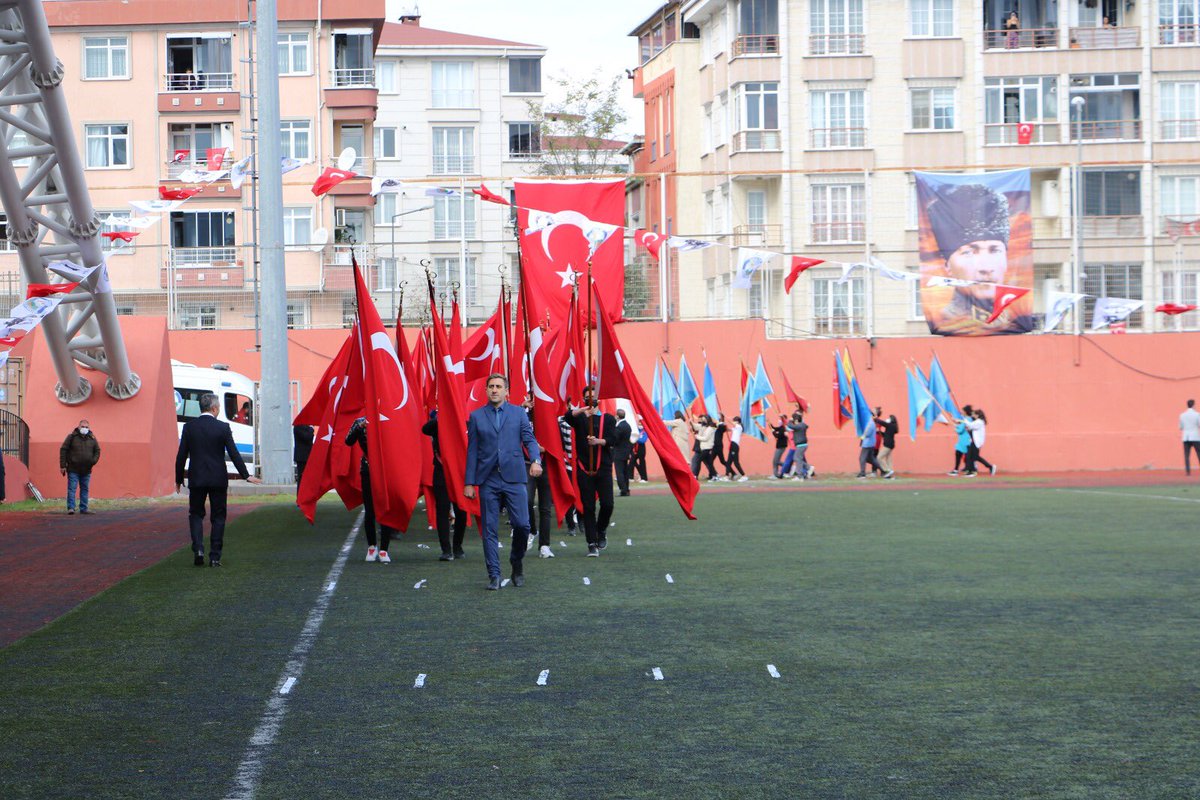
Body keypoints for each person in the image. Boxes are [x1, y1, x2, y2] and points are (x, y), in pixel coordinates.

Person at [925, 182, 1034, 336]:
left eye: (994, 250)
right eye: (969, 252)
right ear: (947, 266)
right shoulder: (947, 320)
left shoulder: (1013, 320)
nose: (986, 268)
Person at [465, 374, 541, 589]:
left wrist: (536, 460)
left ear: (506, 391)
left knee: (523, 525)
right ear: (486, 390)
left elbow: (529, 439)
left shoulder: (518, 413)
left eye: (499, 386)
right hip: (488, 479)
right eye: (491, 386)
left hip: (514, 477)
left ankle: (516, 562)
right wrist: (469, 482)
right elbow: (472, 451)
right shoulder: (476, 416)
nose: (494, 390)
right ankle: (494, 575)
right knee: (489, 529)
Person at [175, 393, 260, 566]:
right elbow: (234, 453)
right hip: (218, 478)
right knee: (218, 517)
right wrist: (246, 475)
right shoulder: (223, 427)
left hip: (197, 478)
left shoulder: (189, 427)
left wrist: (178, 478)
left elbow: (181, 455)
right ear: (214, 408)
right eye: (219, 407)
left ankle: (198, 549)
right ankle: (214, 557)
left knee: (196, 514)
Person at [567, 386, 616, 557]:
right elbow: (567, 416)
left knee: (608, 504)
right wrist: (582, 410)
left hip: (603, 468)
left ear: (598, 400)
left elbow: (613, 439)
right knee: (588, 507)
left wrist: (598, 441)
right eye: (587, 397)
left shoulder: (608, 419)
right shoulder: (580, 419)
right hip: (584, 469)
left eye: (593, 397)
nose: (590, 400)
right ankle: (591, 543)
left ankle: (601, 529)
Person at [346, 416, 399, 563]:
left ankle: (384, 549)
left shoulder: (388, 418)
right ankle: (372, 546)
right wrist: (359, 427)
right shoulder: (359, 421)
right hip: (367, 470)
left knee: (386, 508)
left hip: (386, 470)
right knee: (369, 510)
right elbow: (348, 441)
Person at [422, 409, 468, 561]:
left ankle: (457, 546)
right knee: (442, 509)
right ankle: (446, 550)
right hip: (441, 471)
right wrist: (441, 419)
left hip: (459, 473)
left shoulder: (463, 422)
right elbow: (425, 429)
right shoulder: (438, 424)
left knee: (461, 511)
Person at [520, 398, 554, 559]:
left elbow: (558, 442)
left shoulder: (550, 419)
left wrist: (546, 448)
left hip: (546, 465)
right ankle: (532, 530)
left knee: (545, 507)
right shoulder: (523, 416)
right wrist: (522, 407)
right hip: (527, 464)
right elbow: (510, 423)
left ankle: (545, 545)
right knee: (526, 500)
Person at [60, 419, 101, 515]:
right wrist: (63, 465)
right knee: (72, 489)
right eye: (82, 426)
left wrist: (93, 461)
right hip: (73, 469)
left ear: (89, 428)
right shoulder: (71, 437)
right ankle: (71, 508)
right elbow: (63, 450)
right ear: (78, 427)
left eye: (86, 427)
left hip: (86, 469)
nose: (84, 428)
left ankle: (84, 508)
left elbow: (97, 450)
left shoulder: (92, 438)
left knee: (85, 489)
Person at [559, 412, 579, 534]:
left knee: (583, 495)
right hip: (568, 464)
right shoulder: (562, 422)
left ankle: (581, 520)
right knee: (569, 495)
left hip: (581, 464)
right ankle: (571, 524)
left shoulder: (584, 421)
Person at [963, 408, 997, 477]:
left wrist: (965, 420)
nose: (973, 415)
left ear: (977, 415)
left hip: (976, 442)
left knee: (973, 457)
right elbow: (970, 427)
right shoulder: (978, 422)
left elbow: (971, 425)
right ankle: (972, 471)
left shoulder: (979, 422)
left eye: (974, 414)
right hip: (974, 441)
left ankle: (988, 467)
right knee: (972, 456)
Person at [612, 409, 634, 497]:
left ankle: (623, 490)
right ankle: (626, 489)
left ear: (617, 416)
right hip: (626, 452)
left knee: (619, 472)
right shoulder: (628, 425)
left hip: (618, 452)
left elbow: (615, 440)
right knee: (625, 472)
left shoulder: (619, 427)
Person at [786, 411, 814, 480]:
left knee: (797, 459)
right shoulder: (801, 425)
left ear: (796, 420)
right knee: (797, 458)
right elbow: (790, 427)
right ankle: (809, 467)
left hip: (801, 445)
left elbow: (790, 426)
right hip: (801, 445)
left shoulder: (799, 426)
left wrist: (790, 420)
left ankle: (800, 476)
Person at [948, 404, 974, 475]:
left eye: (963, 411)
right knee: (961, 454)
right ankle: (959, 469)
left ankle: (966, 469)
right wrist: (956, 424)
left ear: (965, 412)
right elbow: (961, 424)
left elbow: (960, 430)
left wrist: (955, 428)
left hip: (964, 440)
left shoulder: (966, 419)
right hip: (964, 439)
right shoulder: (968, 419)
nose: (961, 412)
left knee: (962, 455)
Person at [874, 408, 898, 479]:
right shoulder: (893, 427)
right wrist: (880, 432)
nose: (887, 419)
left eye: (889, 418)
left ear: (891, 420)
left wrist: (875, 418)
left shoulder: (890, 425)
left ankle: (887, 470)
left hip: (887, 445)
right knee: (888, 459)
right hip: (891, 444)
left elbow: (881, 422)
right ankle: (891, 473)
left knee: (879, 457)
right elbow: (887, 435)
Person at [692, 415, 718, 480]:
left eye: (704, 419)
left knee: (698, 460)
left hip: (706, 448)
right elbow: (696, 426)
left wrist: (697, 436)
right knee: (709, 463)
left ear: (708, 420)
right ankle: (714, 476)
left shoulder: (710, 428)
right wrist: (691, 422)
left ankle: (695, 475)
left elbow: (705, 438)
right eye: (702, 419)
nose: (703, 421)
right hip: (704, 448)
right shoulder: (705, 427)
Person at [1180, 399, 1200, 475]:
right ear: (1193, 405)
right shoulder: (1197, 414)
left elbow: (1181, 427)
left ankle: (1188, 472)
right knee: (1199, 453)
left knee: (1187, 455)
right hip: (1195, 436)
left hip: (1186, 437)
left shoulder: (1182, 415)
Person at [725, 415, 747, 481]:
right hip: (732, 445)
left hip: (735, 446)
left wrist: (726, 417)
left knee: (736, 462)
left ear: (737, 422)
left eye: (734, 421)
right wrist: (724, 425)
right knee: (728, 462)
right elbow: (728, 429)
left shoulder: (739, 427)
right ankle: (727, 476)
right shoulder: (735, 428)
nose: (733, 422)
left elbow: (732, 423)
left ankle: (744, 475)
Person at [629, 419, 649, 483]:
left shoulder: (645, 431)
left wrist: (636, 439)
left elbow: (643, 440)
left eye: (641, 424)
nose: (640, 425)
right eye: (639, 423)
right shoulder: (636, 430)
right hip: (635, 448)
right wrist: (636, 438)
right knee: (632, 461)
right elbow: (631, 438)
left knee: (642, 462)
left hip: (641, 448)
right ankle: (630, 477)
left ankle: (644, 478)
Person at [712, 414, 729, 480]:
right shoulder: (715, 427)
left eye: (719, 419)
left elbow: (723, 427)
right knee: (710, 461)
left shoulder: (721, 427)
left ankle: (732, 472)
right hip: (714, 447)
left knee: (722, 461)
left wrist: (721, 420)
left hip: (719, 447)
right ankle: (714, 474)